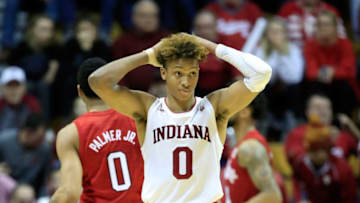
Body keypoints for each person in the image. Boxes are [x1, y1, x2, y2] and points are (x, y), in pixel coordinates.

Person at [88, 33, 272, 202]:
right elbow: (97, 81)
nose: (186, 82)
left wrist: (210, 46)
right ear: (163, 73)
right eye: (178, 73)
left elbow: (262, 73)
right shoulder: (147, 109)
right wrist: (149, 55)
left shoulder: (214, 108)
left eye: (192, 73)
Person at [51, 58, 144, 202]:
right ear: (112, 86)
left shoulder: (70, 134)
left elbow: (69, 193)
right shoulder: (139, 119)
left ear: (80, 92)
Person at [221, 95, 282, 203]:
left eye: (231, 102)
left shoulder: (250, 147)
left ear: (245, 112)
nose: (225, 107)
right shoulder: (241, 145)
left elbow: (272, 195)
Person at [291, 116, 357, 203]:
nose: (315, 154)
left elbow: (350, 198)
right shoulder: (300, 163)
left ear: (328, 150)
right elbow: (297, 186)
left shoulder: (342, 169)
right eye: (311, 150)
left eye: (319, 150)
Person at [303, 10, 357, 115]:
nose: (323, 28)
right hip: (319, 84)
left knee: (345, 87)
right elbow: (310, 72)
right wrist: (326, 72)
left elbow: (349, 71)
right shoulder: (310, 45)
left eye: (327, 24)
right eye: (320, 24)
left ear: (335, 27)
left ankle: (342, 124)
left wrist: (332, 73)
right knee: (311, 86)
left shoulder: (345, 44)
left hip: (342, 87)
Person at [112, 0, 169, 92]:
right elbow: (117, 73)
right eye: (143, 16)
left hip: (161, 92)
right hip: (129, 94)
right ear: (133, 17)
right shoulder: (122, 42)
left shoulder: (167, 40)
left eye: (153, 16)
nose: (149, 20)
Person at [0, 113, 52, 196]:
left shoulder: (44, 149)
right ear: (28, 132)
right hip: (5, 191)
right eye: (40, 137)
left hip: (30, 194)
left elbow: (45, 181)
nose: (42, 141)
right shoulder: (3, 141)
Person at [193, 10, 234, 97]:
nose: (204, 31)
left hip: (224, 90)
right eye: (199, 27)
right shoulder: (187, 46)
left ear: (216, 27)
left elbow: (236, 74)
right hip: (195, 91)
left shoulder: (227, 44)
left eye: (208, 27)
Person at [278, 0, 346, 47]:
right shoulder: (288, 8)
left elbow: (342, 39)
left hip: (320, 57)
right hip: (291, 57)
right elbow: (275, 32)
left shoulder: (330, 11)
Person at [0, 66, 41, 133]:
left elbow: (39, 131)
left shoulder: (33, 105)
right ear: (2, 88)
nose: (13, 91)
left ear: (24, 87)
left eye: (17, 85)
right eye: (9, 86)